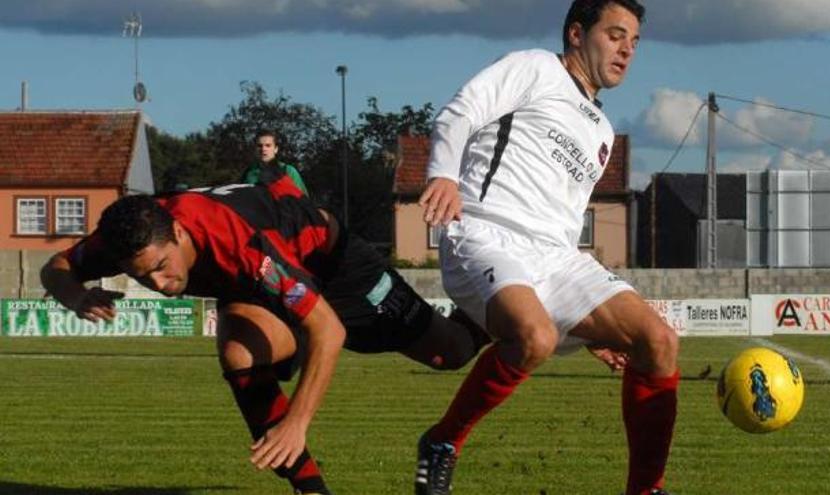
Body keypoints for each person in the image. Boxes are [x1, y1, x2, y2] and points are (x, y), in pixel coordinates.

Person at [41, 172, 488, 495]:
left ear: (178, 232)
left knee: (451, 353)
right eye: (141, 277)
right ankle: (310, 490)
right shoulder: (124, 237)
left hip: (334, 266)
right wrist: (76, 297)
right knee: (239, 353)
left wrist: (296, 423)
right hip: (265, 285)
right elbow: (56, 267)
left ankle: (501, 302)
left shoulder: (238, 244)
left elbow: (326, 330)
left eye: (161, 267)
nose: (159, 284)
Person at [415, 1, 679, 494]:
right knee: (535, 337)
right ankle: (443, 441)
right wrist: (443, 175)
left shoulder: (601, 132)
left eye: (635, 42)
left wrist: (587, 318)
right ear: (577, 34)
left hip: (558, 257)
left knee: (658, 342)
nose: (627, 50)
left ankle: (647, 488)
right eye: (615, 34)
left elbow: (561, 224)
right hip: (486, 233)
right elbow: (461, 110)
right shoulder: (535, 68)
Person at [241, 129, 310, 193]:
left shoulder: (288, 171)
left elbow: (303, 200)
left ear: (276, 149)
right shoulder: (248, 172)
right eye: (259, 146)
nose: (263, 149)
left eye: (268, 145)